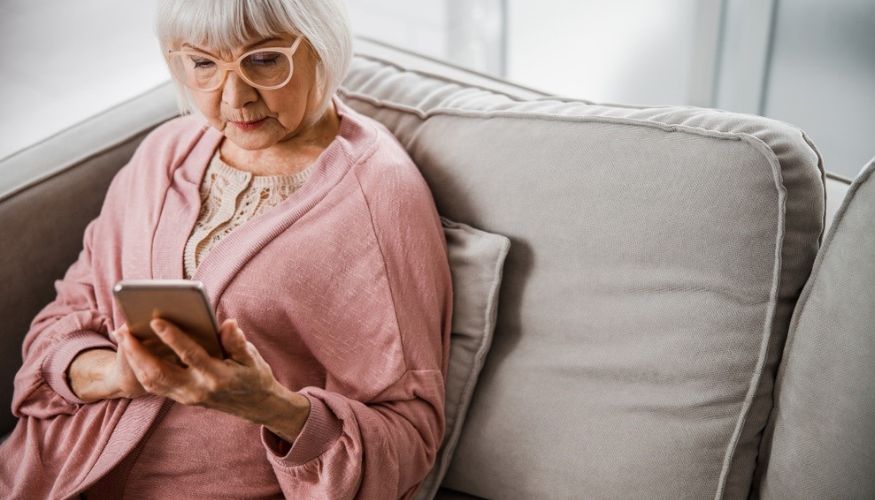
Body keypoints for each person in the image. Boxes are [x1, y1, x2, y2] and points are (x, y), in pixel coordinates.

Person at [0, 0, 452, 498]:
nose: (235, 97)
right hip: (44, 468)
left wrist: (268, 405)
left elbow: (408, 438)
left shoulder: (378, 196)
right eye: (203, 63)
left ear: (322, 46)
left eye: (264, 60)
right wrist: (113, 374)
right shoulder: (164, 152)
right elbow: (67, 312)